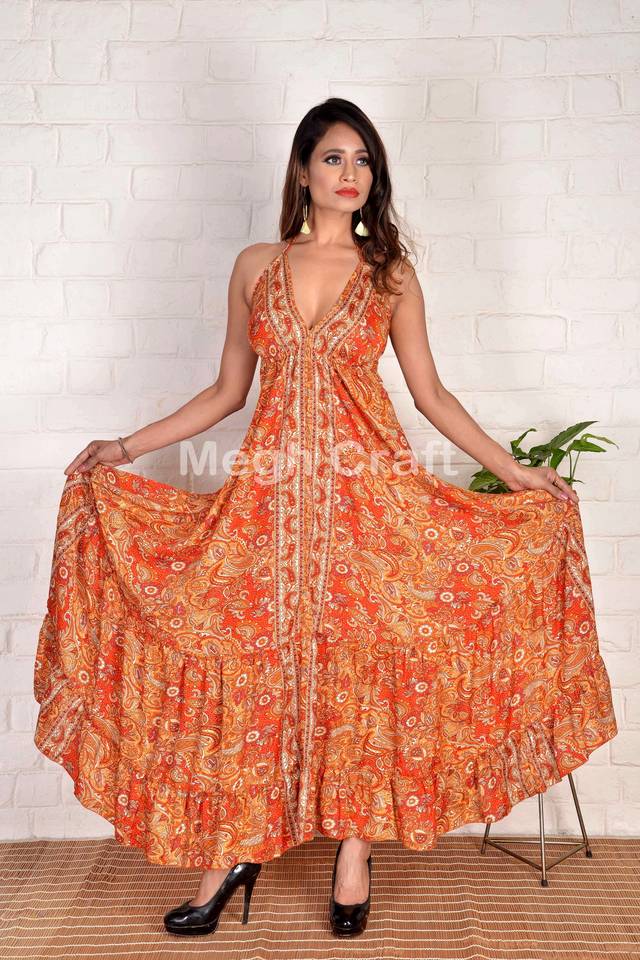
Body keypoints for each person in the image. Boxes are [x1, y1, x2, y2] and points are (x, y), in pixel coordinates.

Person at [33, 97, 618, 940]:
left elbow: (431, 395)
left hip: (369, 502)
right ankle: (231, 852)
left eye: (364, 160)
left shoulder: (390, 274)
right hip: (267, 505)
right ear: (304, 170)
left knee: (363, 668)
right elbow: (227, 391)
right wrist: (124, 446)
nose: (352, 174)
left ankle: (354, 851)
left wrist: (515, 472)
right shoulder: (255, 266)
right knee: (253, 663)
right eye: (335, 158)